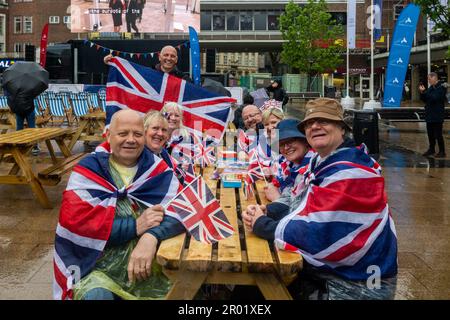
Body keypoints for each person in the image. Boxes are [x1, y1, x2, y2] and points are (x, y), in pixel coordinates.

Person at [242, 98, 398, 300]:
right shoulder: (323, 161)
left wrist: (262, 225)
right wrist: (268, 211)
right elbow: (300, 203)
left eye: (324, 121)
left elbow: (318, 232)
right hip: (340, 272)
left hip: (358, 283)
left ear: (342, 128)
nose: (314, 126)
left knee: (258, 286)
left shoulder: (351, 170)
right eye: (308, 123)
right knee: (253, 283)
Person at [54, 109, 185, 300]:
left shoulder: (158, 170)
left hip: (151, 268)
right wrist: (135, 226)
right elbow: (78, 226)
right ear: (108, 135)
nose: (131, 139)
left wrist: (150, 237)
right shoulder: (89, 171)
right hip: (96, 267)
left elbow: (184, 211)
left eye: (137, 134)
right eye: (123, 133)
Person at [263, 118, 312, 202]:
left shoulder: (313, 168)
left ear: (305, 141)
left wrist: (277, 199)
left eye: (291, 141)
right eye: (281, 144)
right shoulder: (288, 163)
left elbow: (304, 210)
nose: (286, 147)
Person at [104, 45, 192, 82]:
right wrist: (112, 65)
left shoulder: (184, 79)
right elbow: (127, 79)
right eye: (166, 55)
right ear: (159, 57)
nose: (169, 58)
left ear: (176, 60)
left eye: (172, 56)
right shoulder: (148, 73)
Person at [4, 87, 40, 155]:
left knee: (19, 128)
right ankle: (34, 147)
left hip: (19, 109)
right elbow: (34, 95)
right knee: (32, 128)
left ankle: (18, 145)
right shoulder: (28, 84)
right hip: (29, 108)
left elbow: (9, 98)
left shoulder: (13, 86)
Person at [419, 72, 447, 158]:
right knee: (430, 134)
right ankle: (431, 149)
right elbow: (425, 99)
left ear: (434, 78)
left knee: (438, 135)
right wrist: (422, 92)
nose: (428, 80)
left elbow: (435, 97)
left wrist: (426, 93)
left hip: (437, 115)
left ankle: (442, 151)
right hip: (430, 115)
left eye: (429, 79)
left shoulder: (441, 87)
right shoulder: (431, 88)